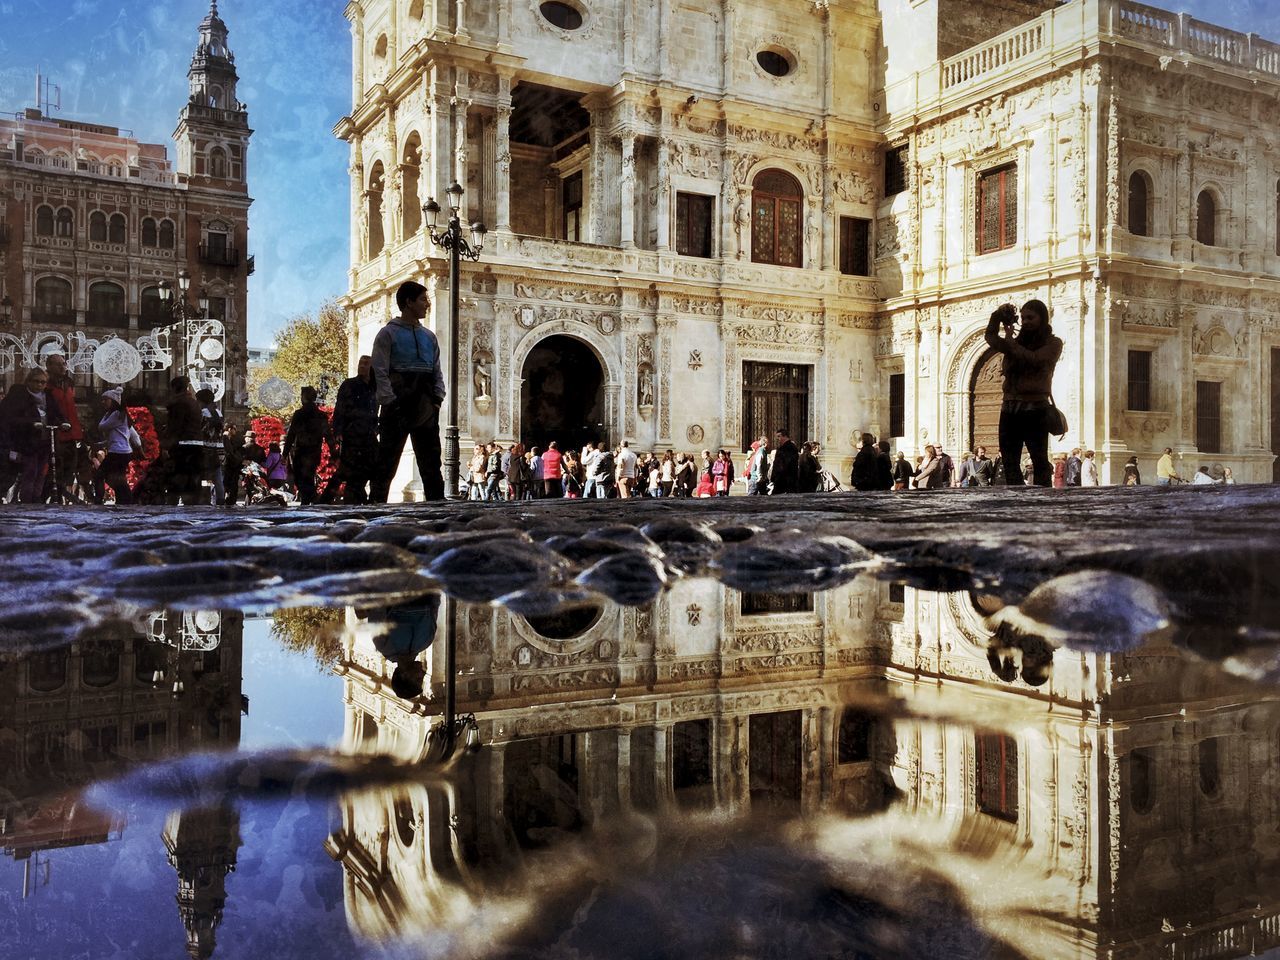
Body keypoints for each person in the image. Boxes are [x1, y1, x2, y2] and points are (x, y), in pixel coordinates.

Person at [370, 281, 446, 503]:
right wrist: (390, 401)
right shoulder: (387, 334)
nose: (428, 304)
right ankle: (376, 504)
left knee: (431, 461)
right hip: (398, 403)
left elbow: (437, 371)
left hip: (425, 403)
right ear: (408, 302)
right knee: (387, 460)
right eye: (423, 299)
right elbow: (380, 370)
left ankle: (436, 503)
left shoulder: (429, 337)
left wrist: (437, 400)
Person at [984, 300, 1064, 487]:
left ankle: (1043, 501)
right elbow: (991, 338)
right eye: (1023, 318)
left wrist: (1011, 343)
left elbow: (1035, 360)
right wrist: (996, 317)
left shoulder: (1053, 343)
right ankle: (1016, 500)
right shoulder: (1016, 342)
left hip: (1035, 409)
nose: (1026, 322)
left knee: (1039, 460)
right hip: (1010, 409)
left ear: (1042, 318)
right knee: (1010, 460)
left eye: (1030, 317)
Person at [373, 593, 441, 701]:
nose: (423, 673)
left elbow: (376, 606)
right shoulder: (426, 641)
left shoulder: (383, 645)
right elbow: (435, 604)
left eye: (418, 678)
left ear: (404, 675)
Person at [331, 355, 379, 504]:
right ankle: (352, 500)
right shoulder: (349, 385)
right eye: (361, 363)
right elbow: (339, 409)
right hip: (353, 434)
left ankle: (361, 499)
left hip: (368, 434)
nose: (362, 366)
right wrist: (338, 431)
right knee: (351, 472)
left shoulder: (375, 387)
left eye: (366, 363)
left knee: (371, 469)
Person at [0, 368, 53, 503]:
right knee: (29, 472)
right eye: (36, 382)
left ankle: (35, 499)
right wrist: (30, 423)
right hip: (26, 442)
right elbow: (9, 418)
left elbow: (55, 413)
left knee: (40, 473)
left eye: (43, 382)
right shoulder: (19, 395)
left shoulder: (47, 396)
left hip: (44, 441)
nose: (39, 385)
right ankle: (27, 501)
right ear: (29, 381)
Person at [44, 353, 90, 502]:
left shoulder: (69, 383)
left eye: (64, 363)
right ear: (49, 366)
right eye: (59, 364)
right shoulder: (45, 385)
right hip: (56, 432)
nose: (63, 367)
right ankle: (47, 497)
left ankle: (62, 495)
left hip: (72, 432)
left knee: (70, 468)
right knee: (54, 468)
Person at [282, 386, 332, 506]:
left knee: (300, 479)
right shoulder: (321, 415)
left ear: (304, 398)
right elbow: (327, 434)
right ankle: (308, 500)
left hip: (302, 451)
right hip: (314, 451)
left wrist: (285, 453)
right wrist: (333, 450)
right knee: (308, 477)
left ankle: (313, 498)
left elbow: (291, 434)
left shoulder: (299, 414)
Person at [164, 376, 205, 506]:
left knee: (177, 477)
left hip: (182, 445)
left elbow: (175, 427)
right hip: (197, 444)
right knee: (192, 478)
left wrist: (166, 446)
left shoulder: (177, 403)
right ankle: (192, 504)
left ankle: (173, 504)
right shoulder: (194, 403)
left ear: (175, 388)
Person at [95, 387, 134, 505]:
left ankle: (101, 499)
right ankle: (124, 499)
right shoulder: (121, 415)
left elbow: (101, 426)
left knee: (100, 475)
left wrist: (106, 414)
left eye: (106, 400)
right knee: (116, 477)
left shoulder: (116, 414)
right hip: (122, 451)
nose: (103, 403)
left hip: (118, 452)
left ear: (114, 401)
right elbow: (118, 436)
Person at [195, 388, 225, 505]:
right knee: (217, 476)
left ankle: (205, 497)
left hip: (206, 448)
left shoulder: (203, 413)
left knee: (205, 475)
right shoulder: (218, 412)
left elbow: (201, 430)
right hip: (219, 449)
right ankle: (220, 498)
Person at [769, 428, 799, 494]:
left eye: (779, 436)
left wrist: (776, 476)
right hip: (783, 479)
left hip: (784, 479)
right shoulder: (785, 447)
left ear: (785, 436)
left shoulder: (789, 448)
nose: (777, 439)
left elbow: (784, 464)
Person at [222, 422, 245, 506]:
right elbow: (229, 452)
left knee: (230, 483)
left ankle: (230, 500)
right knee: (228, 483)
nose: (236, 431)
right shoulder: (225, 437)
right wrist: (237, 460)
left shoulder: (230, 437)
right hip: (229, 464)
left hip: (231, 464)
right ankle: (227, 500)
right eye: (234, 429)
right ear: (229, 429)